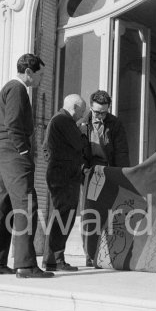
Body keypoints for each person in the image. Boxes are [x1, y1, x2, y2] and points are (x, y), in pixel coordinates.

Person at [0, 53, 54, 279]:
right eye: (40, 75)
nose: (41, 80)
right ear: (29, 72)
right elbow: (14, 123)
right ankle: (26, 265)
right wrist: (24, 150)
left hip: (0, 150)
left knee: (3, 206)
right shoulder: (18, 88)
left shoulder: (9, 89)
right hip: (12, 151)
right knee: (26, 205)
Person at [77, 90, 129, 266]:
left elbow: (122, 152)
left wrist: (121, 174)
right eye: (97, 112)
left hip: (109, 172)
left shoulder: (115, 124)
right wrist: (82, 170)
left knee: (111, 214)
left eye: (104, 112)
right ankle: (90, 255)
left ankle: (110, 253)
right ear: (91, 107)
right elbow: (76, 151)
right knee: (90, 215)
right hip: (89, 174)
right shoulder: (81, 123)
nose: (100, 116)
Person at [42, 94, 89, 272]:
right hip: (65, 176)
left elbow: (46, 148)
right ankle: (55, 259)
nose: (82, 115)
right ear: (75, 107)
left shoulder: (56, 120)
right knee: (63, 217)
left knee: (61, 215)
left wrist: (54, 163)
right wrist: (83, 134)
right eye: (82, 111)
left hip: (60, 173)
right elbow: (78, 144)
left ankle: (52, 259)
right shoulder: (64, 120)